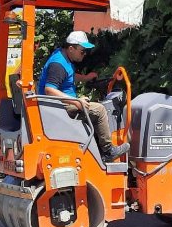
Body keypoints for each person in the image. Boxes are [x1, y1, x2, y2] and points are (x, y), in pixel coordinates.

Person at [38, 30, 130, 162]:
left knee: (95, 105)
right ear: (71, 48)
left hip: (59, 105)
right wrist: (76, 101)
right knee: (100, 110)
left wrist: (85, 78)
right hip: (59, 108)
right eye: (82, 51)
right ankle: (108, 151)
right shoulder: (57, 64)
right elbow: (50, 90)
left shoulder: (62, 57)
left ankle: (97, 150)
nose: (85, 54)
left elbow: (68, 76)